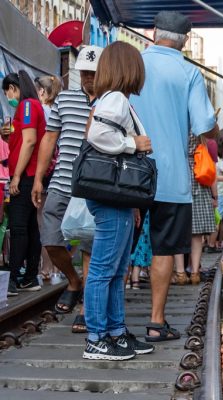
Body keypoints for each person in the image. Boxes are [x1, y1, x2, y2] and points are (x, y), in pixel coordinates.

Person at [129, 10, 218, 342]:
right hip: (171, 178)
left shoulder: (134, 63)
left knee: (117, 246)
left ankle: (106, 325)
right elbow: (204, 126)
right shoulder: (189, 72)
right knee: (164, 249)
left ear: (153, 32)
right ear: (186, 40)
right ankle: (156, 321)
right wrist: (215, 128)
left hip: (129, 173)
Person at [80, 41, 154, 360]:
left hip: (116, 197)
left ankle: (115, 331)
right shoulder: (114, 100)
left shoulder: (115, 99)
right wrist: (132, 144)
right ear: (129, 68)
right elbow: (98, 136)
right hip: (110, 198)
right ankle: (97, 337)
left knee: (115, 267)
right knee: (104, 269)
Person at [32, 45, 103, 333]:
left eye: (93, 73)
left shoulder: (111, 102)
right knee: (50, 240)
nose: (88, 78)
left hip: (92, 188)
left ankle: (86, 305)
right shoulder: (64, 100)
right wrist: (38, 178)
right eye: (84, 72)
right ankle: (73, 280)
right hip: (61, 183)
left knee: (88, 244)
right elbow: (49, 140)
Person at [1, 71, 45, 296]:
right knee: (29, 227)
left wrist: (16, 176)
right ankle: (29, 277)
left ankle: (11, 278)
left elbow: (29, 142)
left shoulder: (27, 106)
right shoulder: (34, 106)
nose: (8, 96)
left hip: (25, 175)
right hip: (31, 174)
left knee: (18, 227)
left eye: (8, 90)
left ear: (14, 87)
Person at [31, 75, 61, 282]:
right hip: (57, 172)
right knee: (52, 221)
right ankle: (53, 267)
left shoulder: (42, 111)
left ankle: (46, 268)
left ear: (42, 91)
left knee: (43, 222)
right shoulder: (57, 110)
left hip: (44, 172)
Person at [186, 134, 216, 285]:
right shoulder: (200, 134)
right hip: (198, 178)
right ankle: (195, 272)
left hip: (178, 176)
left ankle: (179, 272)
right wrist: (215, 195)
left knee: (179, 231)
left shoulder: (176, 126)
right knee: (196, 234)